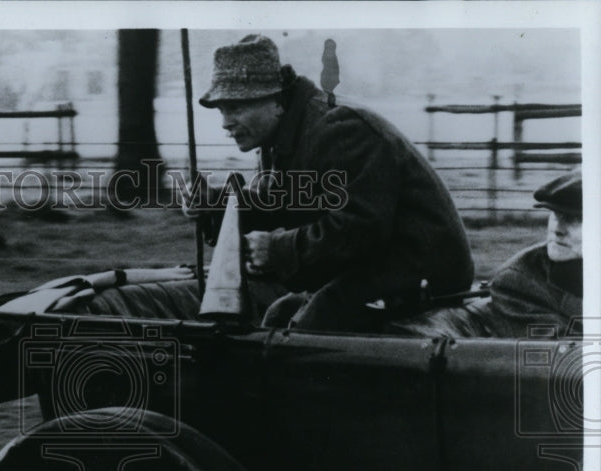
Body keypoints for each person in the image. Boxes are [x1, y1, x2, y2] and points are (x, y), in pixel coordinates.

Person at [195, 34, 475, 331]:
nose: (225, 122)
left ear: (276, 101)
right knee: (279, 316)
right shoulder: (282, 137)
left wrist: (277, 250)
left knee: (306, 331)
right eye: (222, 110)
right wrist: (216, 204)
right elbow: (277, 204)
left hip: (422, 268)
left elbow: (361, 226)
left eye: (236, 108)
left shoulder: (338, 131)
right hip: (377, 263)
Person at [486, 169, 582, 336]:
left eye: (574, 219)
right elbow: (567, 354)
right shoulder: (517, 285)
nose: (557, 230)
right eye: (555, 215)